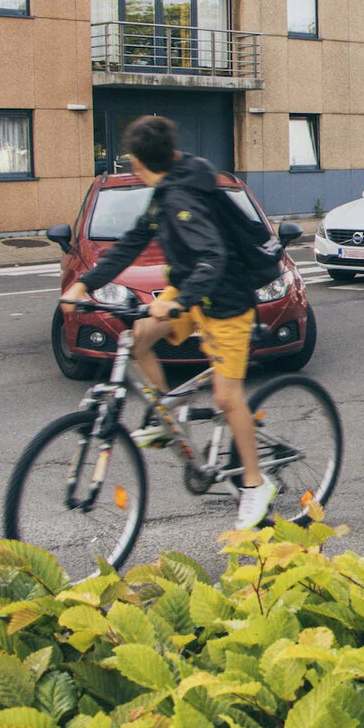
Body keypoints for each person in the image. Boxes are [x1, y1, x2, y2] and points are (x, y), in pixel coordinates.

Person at [58, 116, 276, 530]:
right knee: (138, 337)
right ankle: (167, 421)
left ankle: (254, 483)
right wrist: (85, 283)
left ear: (140, 165)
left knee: (228, 400)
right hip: (192, 290)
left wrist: (176, 305)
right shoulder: (171, 185)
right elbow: (134, 242)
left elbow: (213, 259)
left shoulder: (182, 200)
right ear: (172, 154)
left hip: (226, 301)